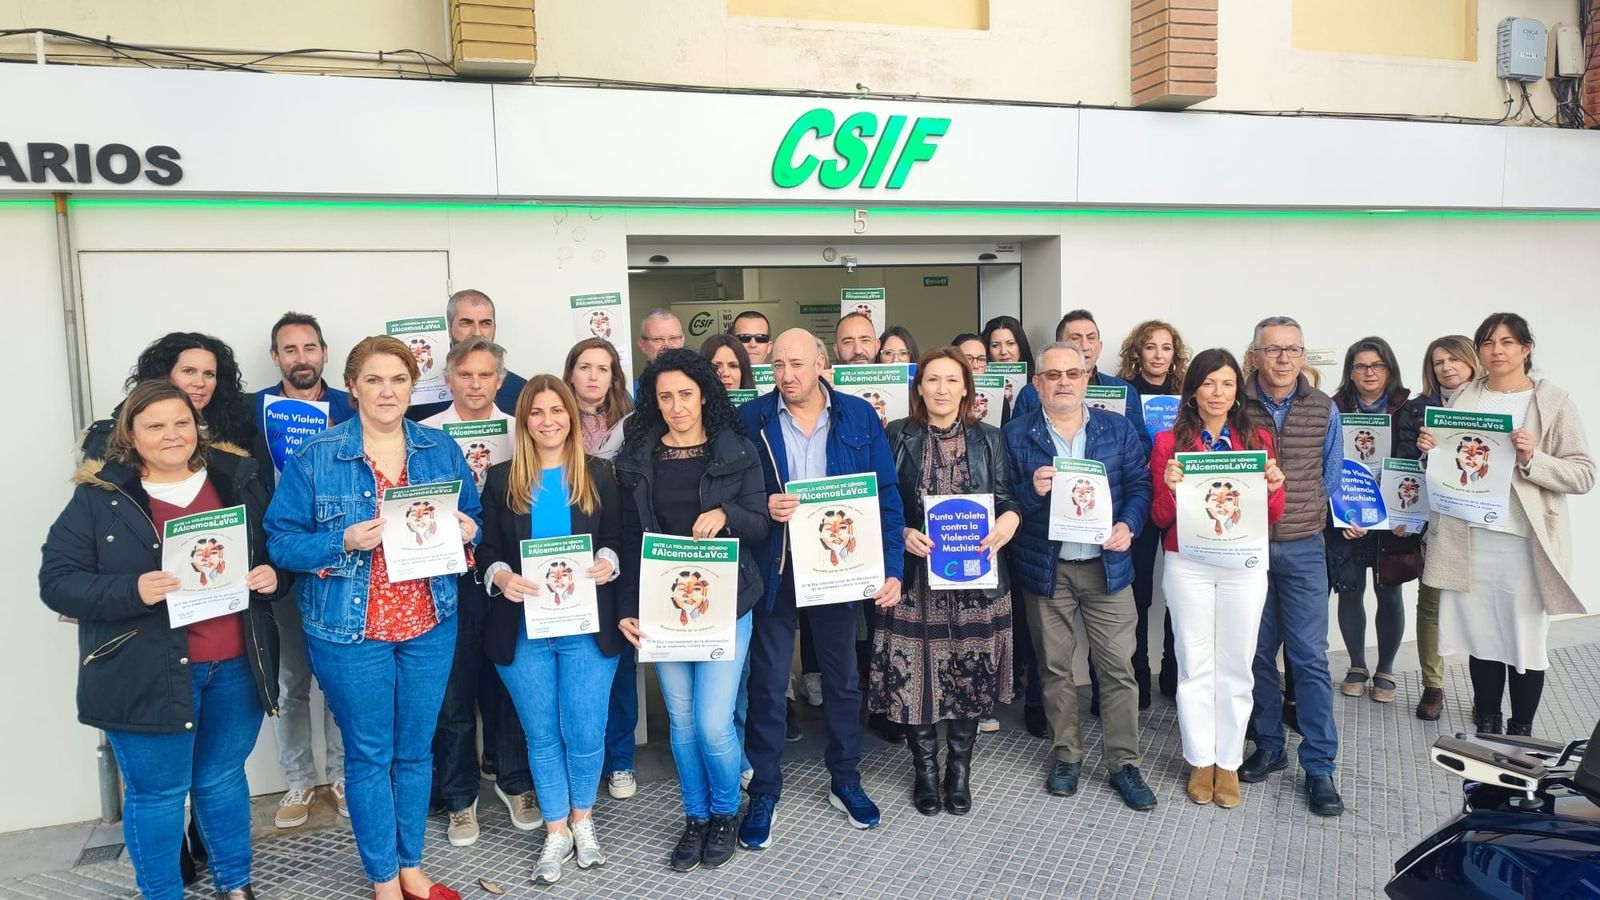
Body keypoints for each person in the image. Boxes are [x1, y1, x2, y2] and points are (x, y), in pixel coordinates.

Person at [40, 381, 289, 900]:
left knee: (221, 780)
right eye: (155, 425)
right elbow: (57, 581)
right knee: (158, 794)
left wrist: (273, 576)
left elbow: (276, 551)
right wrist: (131, 589)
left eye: (181, 422)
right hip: (145, 670)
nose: (172, 435)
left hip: (236, 664)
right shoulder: (99, 497)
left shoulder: (236, 478)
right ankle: (161, 893)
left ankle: (235, 886)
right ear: (130, 434)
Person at [265, 335, 482, 900]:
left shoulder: (439, 448)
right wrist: (340, 540)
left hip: (429, 622)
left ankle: (411, 867)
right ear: (353, 387)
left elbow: (473, 517)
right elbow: (281, 543)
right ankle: (384, 881)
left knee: (415, 752)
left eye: (399, 380)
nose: (388, 391)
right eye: (374, 380)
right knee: (368, 755)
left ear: (413, 385)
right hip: (349, 630)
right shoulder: (317, 456)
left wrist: (469, 531)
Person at [736, 328, 906, 849]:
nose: (786, 375)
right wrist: (764, 504)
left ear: (820, 363)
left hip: (839, 567)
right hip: (777, 567)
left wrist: (893, 567)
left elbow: (885, 494)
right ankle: (764, 788)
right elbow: (734, 494)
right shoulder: (752, 419)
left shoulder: (857, 415)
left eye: (797, 364)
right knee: (766, 685)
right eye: (777, 366)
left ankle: (846, 779)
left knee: (842, 680)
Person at [613, 349, 768, 871]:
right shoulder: (638, 456)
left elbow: (761, 524)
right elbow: (627, 535)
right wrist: (627, 605)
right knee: (680, 721)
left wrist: (726, 513)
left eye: (685, 394)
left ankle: (727, 811)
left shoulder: (737, 450)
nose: (676, 406)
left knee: (711, 722)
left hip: (727, 602)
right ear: (653, 402)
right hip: (663, 603)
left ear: (704, 393)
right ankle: (696, 816)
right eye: (665, 397)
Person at [475, 375, 625, 885]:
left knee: (584, 731)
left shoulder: (601, 474)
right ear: (524, 421)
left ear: (571, 415)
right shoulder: (501, 480)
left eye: (556, 410)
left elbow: (619, 536)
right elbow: (487, 550)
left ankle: (583, 820)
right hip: (523, 628)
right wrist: (500, 575)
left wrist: (608, 559)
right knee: (541, 735)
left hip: (587, 625)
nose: (547, 421)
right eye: (536, 412)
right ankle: (556, 830)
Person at [1419, 313, 1593, 737]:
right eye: (1488, 342)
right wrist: (1429, 451)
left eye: (1508, 342)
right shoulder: (1462, 398)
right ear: (1479, 350)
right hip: (1470, 538)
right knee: (1482, 636)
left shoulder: (1552, 402)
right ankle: (1489, 719)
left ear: (1526, 349)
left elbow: (1583, 474)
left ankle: (1522, 727)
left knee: (1525, 639)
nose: (1497, 350)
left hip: (1525, 543)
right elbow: (1447, 465)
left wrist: (1533, 458)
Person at [1002, 343, 1157, 812]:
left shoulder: (1118, 428)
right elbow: (1003, 499)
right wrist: (1030, 492)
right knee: (1054, 668)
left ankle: (1123, 763)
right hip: (1046, 569)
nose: (1064, 381)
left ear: (1087, 379)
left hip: (1106, 568)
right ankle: (1066, 755)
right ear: (1037, 384)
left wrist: (1128, 525)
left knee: (1118, 669)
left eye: (1073, 373)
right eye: (1053, 375)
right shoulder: (1015, 436)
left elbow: (1140, 486)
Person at [875, 348, 1020, 816]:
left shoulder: (990, 439)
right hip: (915, 580)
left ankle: (959, 770)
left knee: (970, 674)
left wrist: (1006, 525)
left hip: (975, 579)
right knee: (914, 673)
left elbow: (1009, 501)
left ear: (966, 388)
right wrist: (901, 533)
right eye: (932, 380)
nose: (941, 389)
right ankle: (924, 768)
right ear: (919, 388)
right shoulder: (897, 435)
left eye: (950, 380)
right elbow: (881, 502)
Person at [1148, 349, 1286, 809]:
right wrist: (1168, 487)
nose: (1217, 393)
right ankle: (1200, 758)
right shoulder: (1169, 443)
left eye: (1226, 384)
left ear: (1236, 391)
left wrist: (1273, 487)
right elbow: (1161, 517)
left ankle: (1228, 760)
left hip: (1242, 565)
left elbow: (1271, 514)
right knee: (1194, 664)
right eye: (1208, 383)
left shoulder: (1258, 439)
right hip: (1188, 564)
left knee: (1236, 664)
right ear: (1193, 391)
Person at [419, 339, 537, 843]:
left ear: (499, 380)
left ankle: (514, 783)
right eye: (464, 374)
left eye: (485, 375)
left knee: (508, 687)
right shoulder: (425, 435)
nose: (474, 384)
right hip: (446, 582)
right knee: (452, 696)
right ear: (448, 379)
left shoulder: (522, 431)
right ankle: (460, 798)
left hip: (510, 576)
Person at [246, 312, 356, 828]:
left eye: (310, 348)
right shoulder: (254, 413)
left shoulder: (349, 408)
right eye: (290, 350)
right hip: (284, 563)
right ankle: (297, 781)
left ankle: (339, 775)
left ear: (325, 352)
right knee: (291, 679)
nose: (301, 358)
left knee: (339, 678)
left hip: (344, 561)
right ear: (275, 357)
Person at [1238, 316, 1345, 817]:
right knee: (1256, 653)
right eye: (1273, 349)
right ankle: (1269, 745)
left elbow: (1332, 475)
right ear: (1255, 353)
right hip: (1247, 547)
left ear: (1303, 356)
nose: (1284, 359)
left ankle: (1320, 766)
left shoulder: (1324, 408)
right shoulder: (1234, 403)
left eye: (1293, 350)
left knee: (1309, 658)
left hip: (1303, 548)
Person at [1393, 335, 1481, 721]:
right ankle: (1434, 685)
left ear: (1472, 361)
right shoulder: (1416, 409)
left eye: (1454, 360)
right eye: (1438, 361)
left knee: (1480, 608)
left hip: (1483, 520)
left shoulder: (1493, 405)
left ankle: (1487, 693)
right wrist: (1404, 514)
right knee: (1430, 605)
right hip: (1434, 519)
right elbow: (1403, 463)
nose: (1446, 367)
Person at [1327, 337, 1415, 705]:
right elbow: (1325, 462)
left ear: (1389, 369)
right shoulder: (1333, 407)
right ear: (1350, 372)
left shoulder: (1408, 409)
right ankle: (1358, 665)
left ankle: (1386, 669)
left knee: (1389, 590)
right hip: (1348, 514)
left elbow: (1414, 462)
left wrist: (1405, 516)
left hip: (1393, 518)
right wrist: (1341, 513)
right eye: (1360, 366)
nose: (1369, 373)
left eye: (1376, 365)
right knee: (1350, 590)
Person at [1112, 319, 1188, 702]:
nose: (1158, 354)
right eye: (1150, 347)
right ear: (1136, 352)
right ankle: (1138, 673)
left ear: (1175, 355)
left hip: (1182, 501)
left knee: (1180, 590)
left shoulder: (1190, 394)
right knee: (1138, 591)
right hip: (1141, 498)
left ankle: (1173, 671)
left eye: (1166, 347)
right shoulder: (1123, 393)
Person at [978, 316, 1045, 737]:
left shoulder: (1025, 395)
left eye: (1009, 344)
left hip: (1012, 513)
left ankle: (1014, 679)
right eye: (995, 346)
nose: (1003, 352)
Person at [83, 332, 257, 461]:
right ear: (164, 375)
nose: (199, 382)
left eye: (209, 374)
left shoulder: (235, 430)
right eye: (189, 371)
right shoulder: (109, 435)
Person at [1012, 311, 1150, 451]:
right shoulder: (1030, 393)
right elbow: (1017, 441)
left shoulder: (1126, 390)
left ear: (1100, 346)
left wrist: (1113, 456)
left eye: (1091, 338)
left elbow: (1143, 444)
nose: (1084, 346)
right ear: (1060, 345)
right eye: (1075, 338)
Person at [408, 289, 529, 421]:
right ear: (448, 328)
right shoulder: (418, 390)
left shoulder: (520, 389)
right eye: (466, 323)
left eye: (485, 323)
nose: (476, 332)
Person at [564, 337, 632, 461]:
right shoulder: (556, 420)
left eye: (602, 369)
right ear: (571, 376)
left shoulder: (629, 417)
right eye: (584, 367)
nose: (593, 377)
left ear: (612, 379)